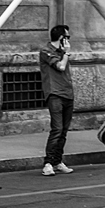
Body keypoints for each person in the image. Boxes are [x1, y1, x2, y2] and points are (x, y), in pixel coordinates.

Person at [40, 24, 75, 176]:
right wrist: (66, 53)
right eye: (67, 37)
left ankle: (57, 161)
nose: (68, 41)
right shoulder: (46, 51)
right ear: (61, 38)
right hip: (55, 94)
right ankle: (48, 163)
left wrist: (64, 52)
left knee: (63, 131)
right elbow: (60, 66)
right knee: (57, 129)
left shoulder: (62, 52)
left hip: (67, 93)